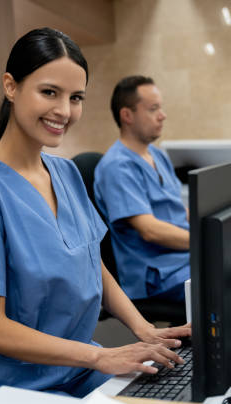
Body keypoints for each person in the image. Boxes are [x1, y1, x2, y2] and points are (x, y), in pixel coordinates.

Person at [0, 28, 190, 404]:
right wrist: (101, 355)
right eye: (49, 92)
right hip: (10, 389)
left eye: (75, 98)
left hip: (76, 372)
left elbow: (92, 262)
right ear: (11, 86)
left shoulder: (66, 173)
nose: (64, 111)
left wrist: (144, 329)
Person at [93, 76, 190, 302]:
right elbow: (150, 230)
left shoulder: (157, 155)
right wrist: (205, 241)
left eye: (161, 108)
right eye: (153, 109)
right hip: (158, 275)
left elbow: (176, 209)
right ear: (127, 115)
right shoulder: (117, 167)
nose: (162, 115)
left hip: (182, 258)